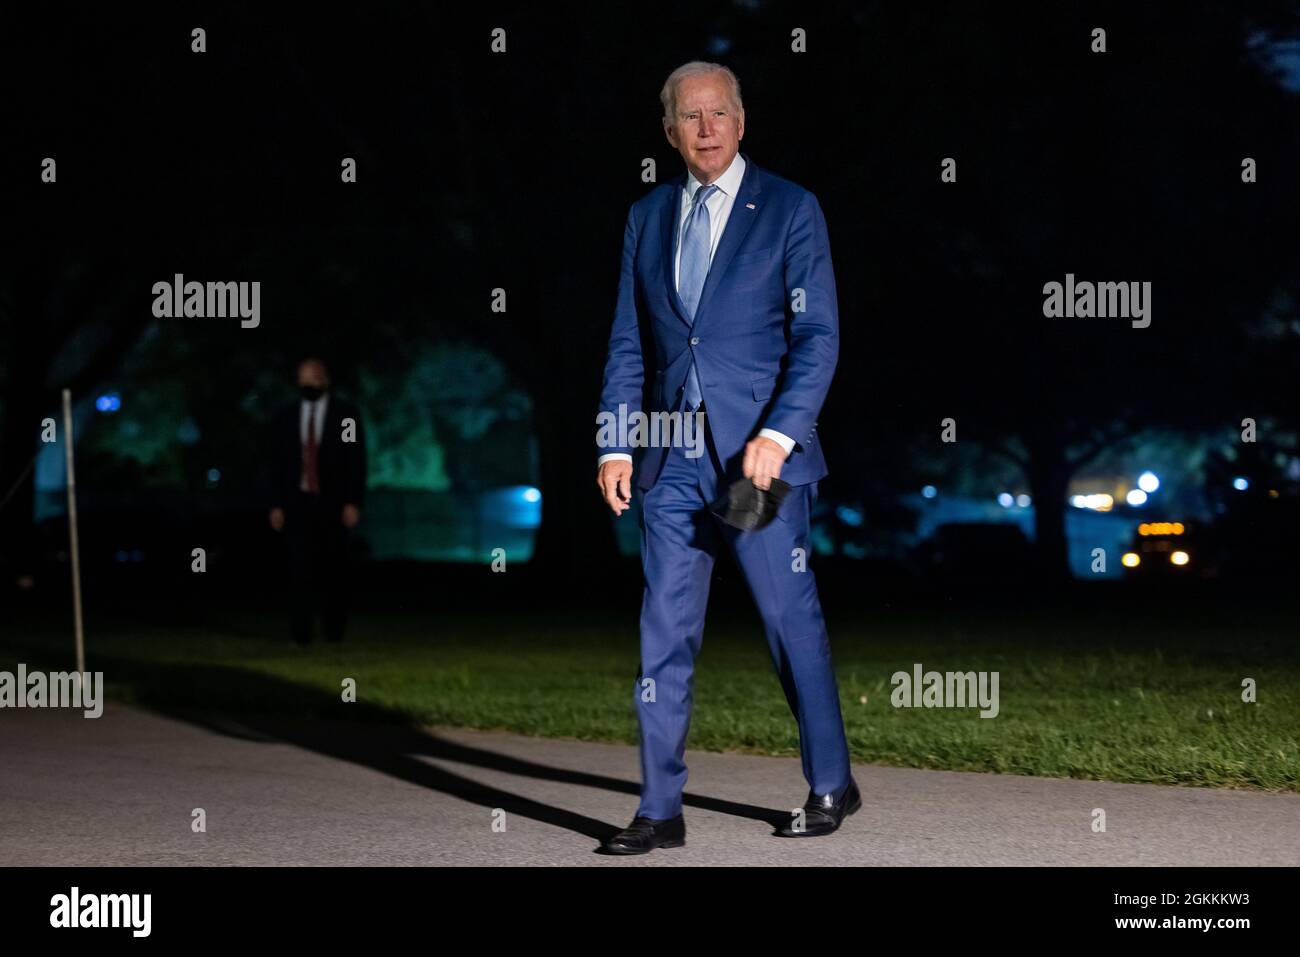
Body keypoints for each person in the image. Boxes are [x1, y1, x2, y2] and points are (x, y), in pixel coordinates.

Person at [594, 61, 859, 854]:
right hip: (670, 461)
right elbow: (629, 340)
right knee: (663, 631)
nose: (706, 128)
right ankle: (659, 809)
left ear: (741, 123)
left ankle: (829, 781)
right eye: (690, 116)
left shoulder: (789, 208)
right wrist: (615, 439)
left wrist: (778, 436)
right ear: (669, 131)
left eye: (719, 114)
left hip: (757, 464)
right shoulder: (646, 215)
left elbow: (818, 337)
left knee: (786, 619)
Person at [268, 357, 367, 645]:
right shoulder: (286, 417)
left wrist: (352, 501)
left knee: (334, 570)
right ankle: (301, 635)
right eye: (306, 378)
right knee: (299, 570)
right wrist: (276, 504)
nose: (311, 383)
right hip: (297, 502)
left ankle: (334, 632)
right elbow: (276, 462)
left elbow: (355, 459)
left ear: (326, 380)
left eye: (316, 377)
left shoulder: (345, 415)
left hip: (332, 503)